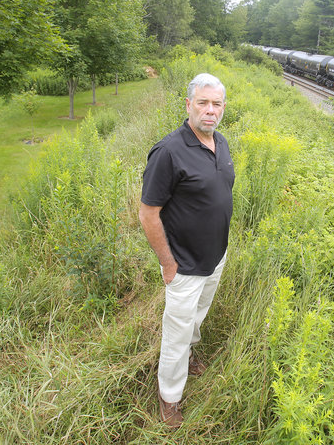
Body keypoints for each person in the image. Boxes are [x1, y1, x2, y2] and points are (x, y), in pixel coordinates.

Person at [138, 73, 234, 428]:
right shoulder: (169, 151)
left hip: (215, 258)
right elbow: (148, 214)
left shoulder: (220, 143)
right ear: (189, 105)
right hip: (183, 265)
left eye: (217, 104)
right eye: (203, 103)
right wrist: (167, 263)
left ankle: (190, 356)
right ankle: (170, 398)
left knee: (197, 318)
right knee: (176, 335)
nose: (210, 111)